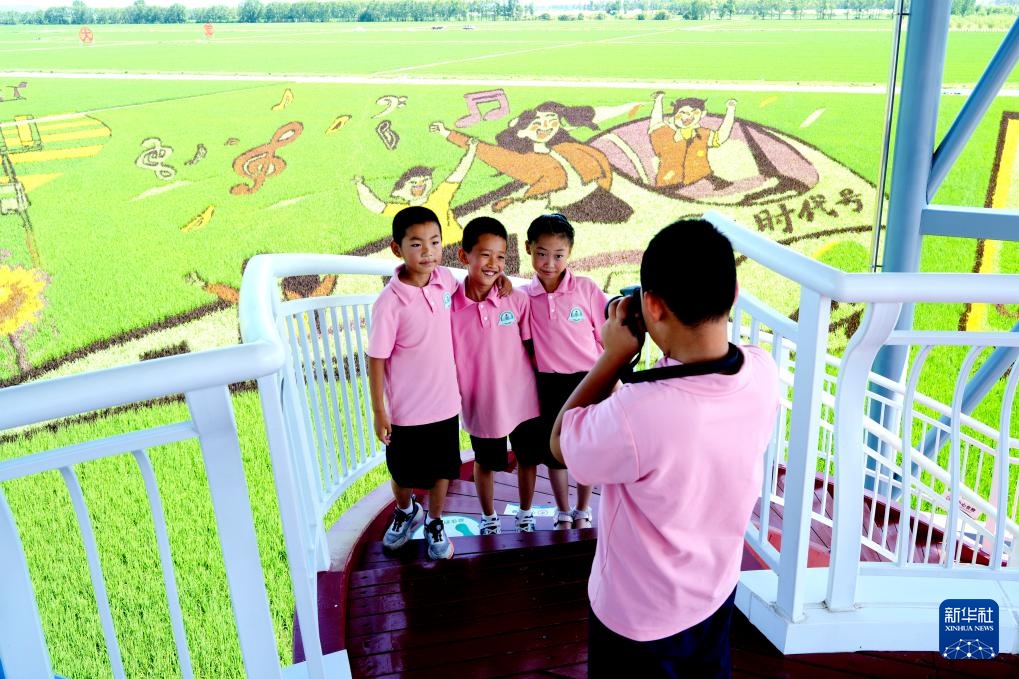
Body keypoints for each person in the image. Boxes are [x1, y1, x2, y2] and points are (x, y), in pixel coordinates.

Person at [550, 218, 780, 677]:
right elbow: (692, 378)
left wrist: (614, 356)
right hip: (714, 593)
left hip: (638, 621)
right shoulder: (761, 370)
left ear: (652, 305)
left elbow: (560, 443)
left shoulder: (638, 414)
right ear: (734, 292)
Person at [366, 206, 462, 560]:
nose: (428, 252)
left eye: (435, 242)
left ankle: (434, 520)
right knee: (402, 473)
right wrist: (380, 411)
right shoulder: (389, 303)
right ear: (397, 249)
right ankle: (407, 511)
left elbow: (470, 293)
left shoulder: (445, 280)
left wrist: (499, 282)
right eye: (417, 244)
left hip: (445, 405)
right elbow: (376, 359)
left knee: (442, 470)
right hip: (405, 412)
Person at [451, 216, 543, 535]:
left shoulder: (515, 299)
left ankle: (526, 513)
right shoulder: (448, 307)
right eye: (485, 255)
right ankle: (489, 517)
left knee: (527, 458)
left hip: (523, 398)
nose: (493, 264)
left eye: (501, 257)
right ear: (463, 256)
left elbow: (530, 346)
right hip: (481, 403)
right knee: (486, 462)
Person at [524, 213, 606, 530]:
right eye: (541, 253)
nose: (549, 263)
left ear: (569, 253)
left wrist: (608, 377)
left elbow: (606, 335)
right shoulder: (524, 297)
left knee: (585, 447)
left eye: (558, 255)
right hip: (548, 384)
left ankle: (583, 509)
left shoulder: (586, 289)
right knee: (554, 450)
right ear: (528, 248)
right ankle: (562, 510)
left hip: (587, 381)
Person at [430, 101, 633, 223]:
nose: (546, 127)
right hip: (571, 206)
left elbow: (599, 162)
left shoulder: (566, 147)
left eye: (551, 121)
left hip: (599, 195)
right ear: (521, 132)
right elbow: (485, 150)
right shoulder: (524, 161)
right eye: (537, 124)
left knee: (626, 216)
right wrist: (446, 133)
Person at [353, 136, 479, 262]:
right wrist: (360, 186)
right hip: (436, 255)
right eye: (413, 183)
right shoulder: (406, 211)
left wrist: (472, 149)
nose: (420, 185)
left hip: (458, 246)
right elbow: (376, 206)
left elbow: (459, 173)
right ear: (398, 192)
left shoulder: (439, 196)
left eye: (425, 180)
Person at [649, 92, 737, 189]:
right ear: (674, 115)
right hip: (670, 181)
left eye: (694, 112)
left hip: (701, 177)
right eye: (682, 112)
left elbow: (721, 136)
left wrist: (730, 110)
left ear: (702, 114)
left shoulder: (702, 133)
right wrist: (658, 100)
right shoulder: (665, 132)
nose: (687, 115)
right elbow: (656, 122)